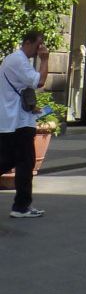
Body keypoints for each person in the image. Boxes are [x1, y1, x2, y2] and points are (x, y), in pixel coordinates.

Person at [0, 30, 49, 218]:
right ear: (28, 42)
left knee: (9, 160)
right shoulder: (18, 60)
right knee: (25, 163)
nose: (40, 49)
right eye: (38, 44)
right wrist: (45, 60)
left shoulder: (15, 60)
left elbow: (19, 90)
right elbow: (40, 81)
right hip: (17, 122)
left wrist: (32, 107)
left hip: (13, 119)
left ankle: (21, 206)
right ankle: (21, 207)